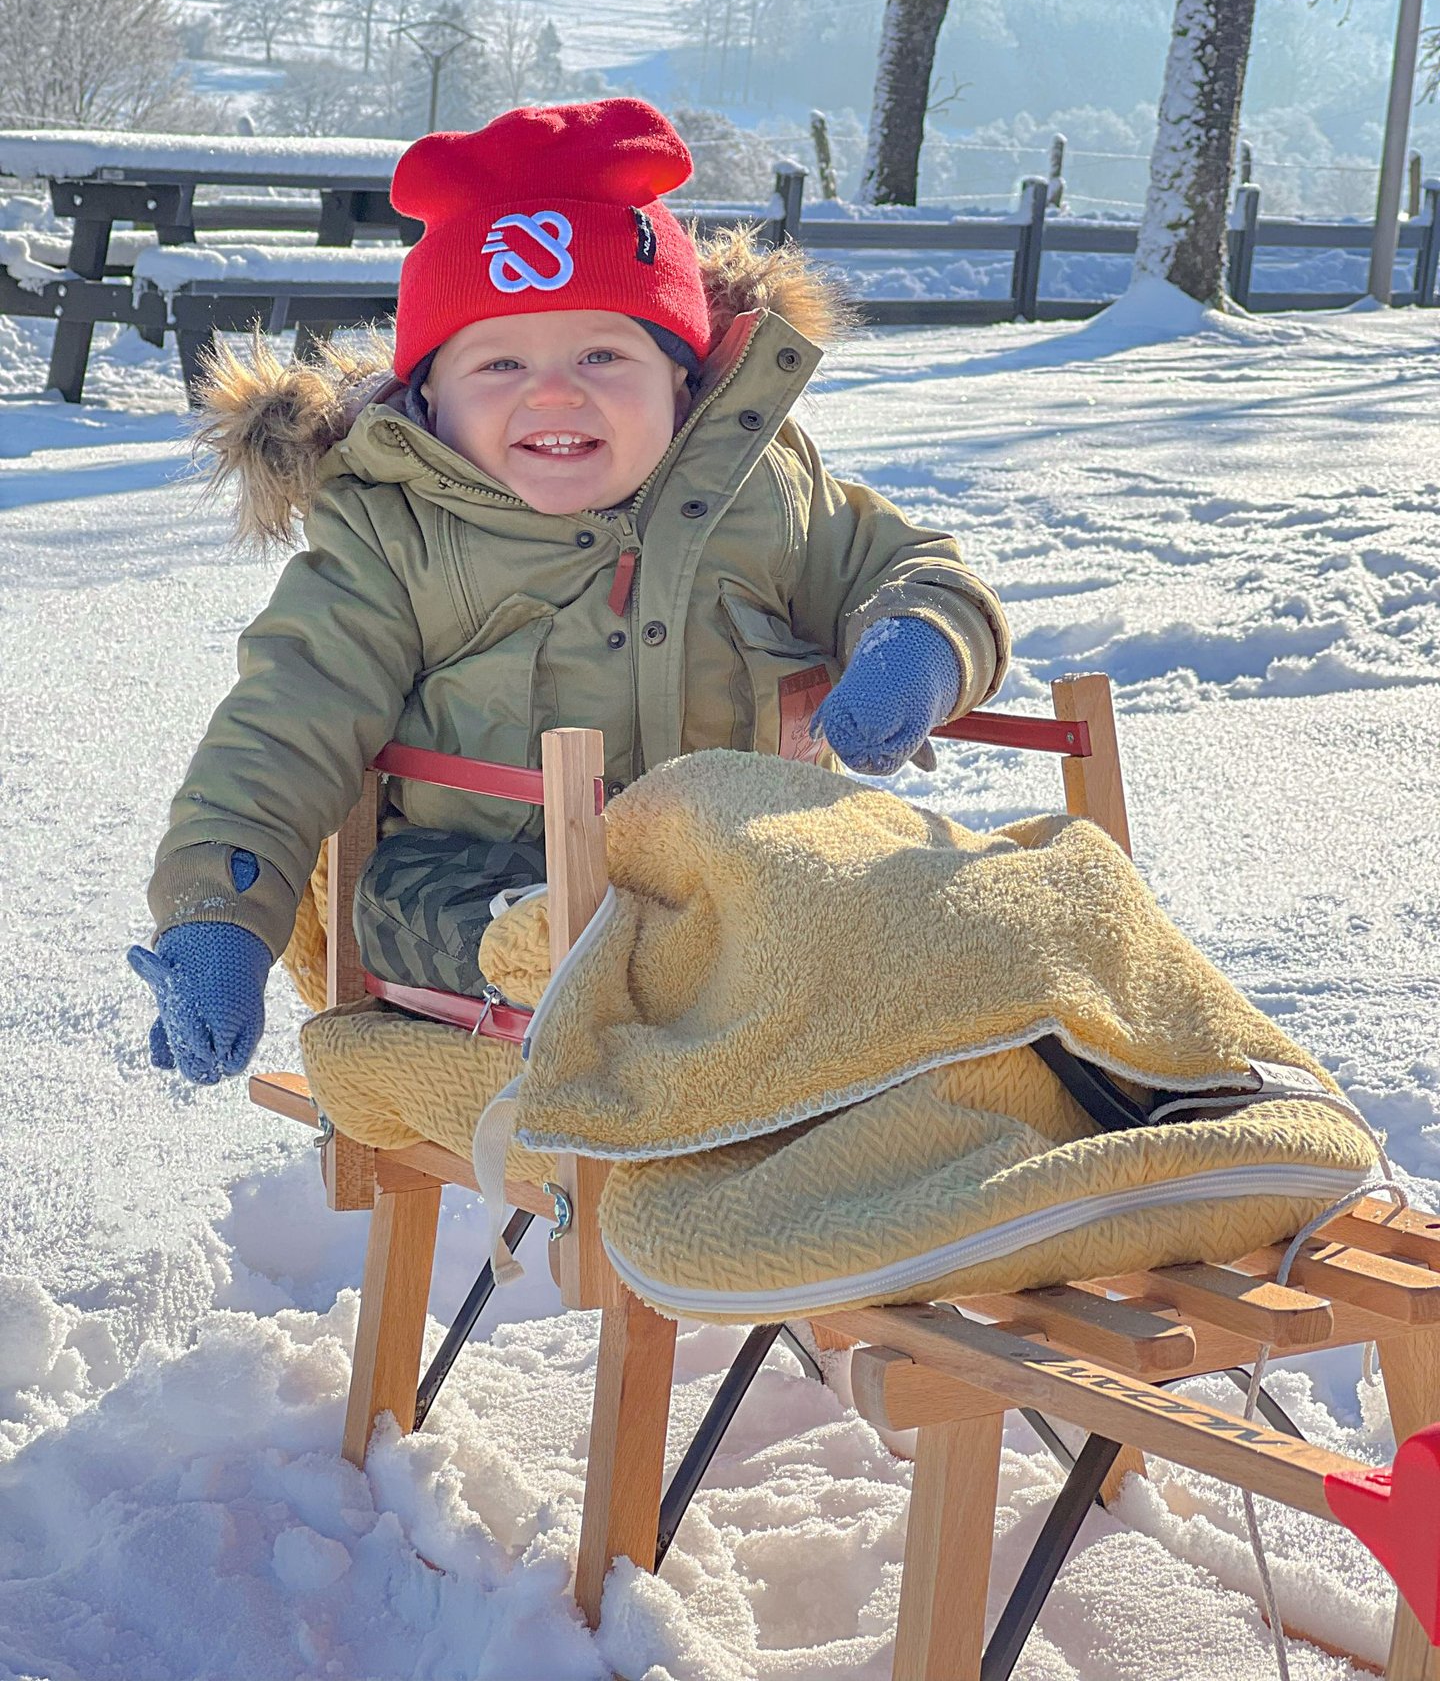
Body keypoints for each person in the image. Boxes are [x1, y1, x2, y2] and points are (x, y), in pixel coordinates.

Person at [129, 97, 1009, 1085]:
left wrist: (918, 646)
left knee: (949, 897)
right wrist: (219, 918)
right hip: (487, 906)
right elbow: (282, 728)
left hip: (740, 890)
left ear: (680, 382)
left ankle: (1045, 1074)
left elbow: (912, 570)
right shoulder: (395, 534)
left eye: (603, 354)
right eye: (499, 361)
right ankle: (672, 1010)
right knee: (498, 922)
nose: (554, 393)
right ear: (432, 399)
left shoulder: (759, 489)